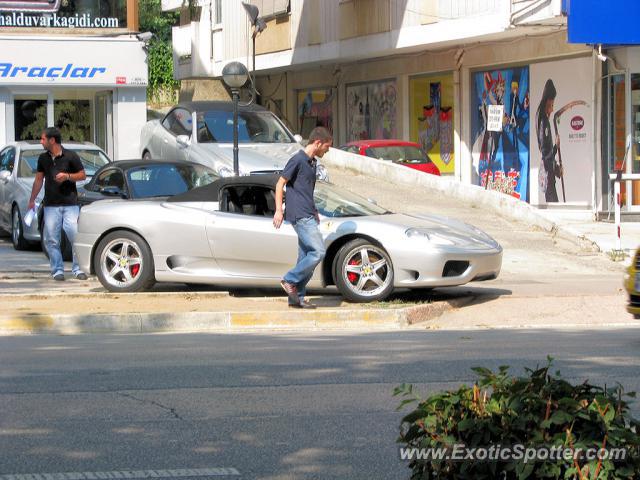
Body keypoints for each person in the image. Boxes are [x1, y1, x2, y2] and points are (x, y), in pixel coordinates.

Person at [273, 127, 332, 309]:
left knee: (305, 256)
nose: (327, 151)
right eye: (327, 147)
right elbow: (280, 183)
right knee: (318, 252)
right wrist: (278, 210)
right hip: (299, 214)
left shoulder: (312, 163)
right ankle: (289, 279)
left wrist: (314, 210)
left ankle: (296, 298)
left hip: (308, 213)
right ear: (318, 143)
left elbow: (306, 190)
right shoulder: (297, 159)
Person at [27, 127, 88, 281]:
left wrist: (67, 176)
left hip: (70, 204)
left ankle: (78, 269)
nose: (41, 142)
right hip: (51, 206)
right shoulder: (43, 158)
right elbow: (39, 180)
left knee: (75, 237)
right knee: (52, 239)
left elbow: (82, 175)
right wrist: (32, 200)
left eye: (42, 139)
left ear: (52, 140)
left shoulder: (71, 156)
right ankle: (57, 270)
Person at [536, 78, 562, 202]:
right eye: (551, 105)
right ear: (546, 103)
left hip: (549, 171)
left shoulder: (542, 120)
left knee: (552, 203)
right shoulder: (543, 122)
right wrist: (556, 147)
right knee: (553, 204)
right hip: (548, 172)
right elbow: (546, 153)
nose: (552, 109)